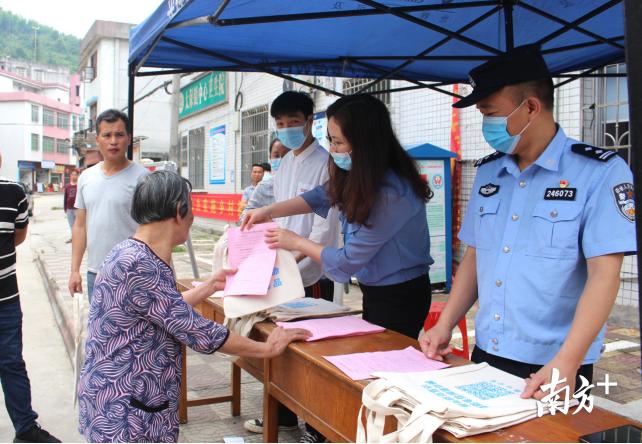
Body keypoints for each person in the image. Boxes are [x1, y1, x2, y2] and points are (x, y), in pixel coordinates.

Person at [420, 45, 636, 400]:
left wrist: (568, 361)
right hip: (488, 349)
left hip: (554, 363)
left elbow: (605, 275)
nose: (486, 125)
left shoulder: (600, 172)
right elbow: (475, 257)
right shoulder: (490, 172)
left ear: (532, 108)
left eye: (491, 113)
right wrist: (444, 324)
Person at [243, 94, 434, 441]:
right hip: (376, 291)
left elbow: (346, 263)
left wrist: (296, 242)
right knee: (366, 371)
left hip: (402, 296)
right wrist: (268, 211)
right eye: (330, 139)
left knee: (385, 378)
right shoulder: (356, 173)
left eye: (338, 141)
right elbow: (317, 197)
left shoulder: (392, 191)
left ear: (366, 142)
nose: (331, 148)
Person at [77, 171, 311, 443]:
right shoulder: (140, 265)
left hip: (115, 397)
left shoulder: (129, 252)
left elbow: (163, 310)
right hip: (127, 411)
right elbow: (199, 332)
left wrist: (209, 286)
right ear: (179, 211)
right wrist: (267, 349)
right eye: (190, 208)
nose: (192, 218)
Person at [242, 92, 340, 442]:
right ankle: (283, 417)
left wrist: (292, 258)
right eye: (280, 125)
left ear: (311, 119)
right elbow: (277, 214)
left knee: (313, 355)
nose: (287, 130)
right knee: (281, 345)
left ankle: (318, 427)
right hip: (281, 271)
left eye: (293, 123)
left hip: (311, 275)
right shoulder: (284, 162)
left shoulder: (326, 163)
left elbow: (323, 229)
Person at [0, 153, 60, 443]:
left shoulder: (13, 193)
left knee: (11, 362)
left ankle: (25, 429)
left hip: (6, 300)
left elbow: (18, 235)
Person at [68, 109, 149, 302]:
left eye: (119, 135)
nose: (113, 141)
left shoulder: (144, 178)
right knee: (99, 331)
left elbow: (155, 229)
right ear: (98, 140)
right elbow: (80, 226)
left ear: (129, 139)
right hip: (96, 273)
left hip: (134, 274)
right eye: (107, 135)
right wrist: (74, 270)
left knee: (134, 332)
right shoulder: (86, 178)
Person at [239, 138, 288, 222]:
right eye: (276, 156)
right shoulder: (264, 186)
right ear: (270, 157)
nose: (281, 159)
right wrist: (262, 218)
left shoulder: (304, 184)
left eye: (286, 155)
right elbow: (244, 215)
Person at [63, 169, 79, 242]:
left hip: (78, 209)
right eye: (72, 174)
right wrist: (65, 208)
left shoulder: (79, 185)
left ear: (78, 176)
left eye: (75, 174)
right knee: (71, 225)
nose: (73, 176)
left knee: (78, 225)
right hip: (69, 208)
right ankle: (73, 238)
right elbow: (65, 197)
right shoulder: (67, 186)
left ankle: (78, 239)